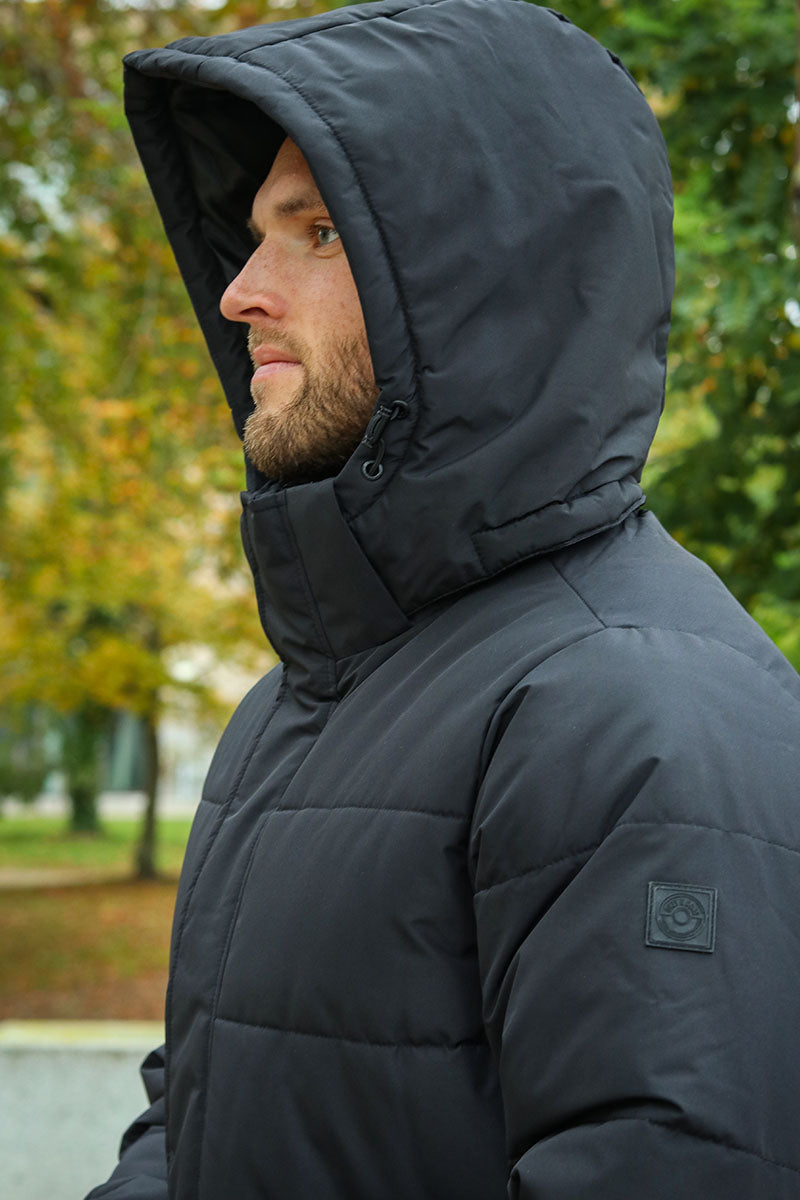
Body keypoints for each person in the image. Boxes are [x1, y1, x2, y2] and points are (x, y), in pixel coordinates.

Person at [88, 2, 800, 1197]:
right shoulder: (298, 704)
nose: (239, 293)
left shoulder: (634, 709)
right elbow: (198, 1114)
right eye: (253, 237)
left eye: (317, 233)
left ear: (479, 292)